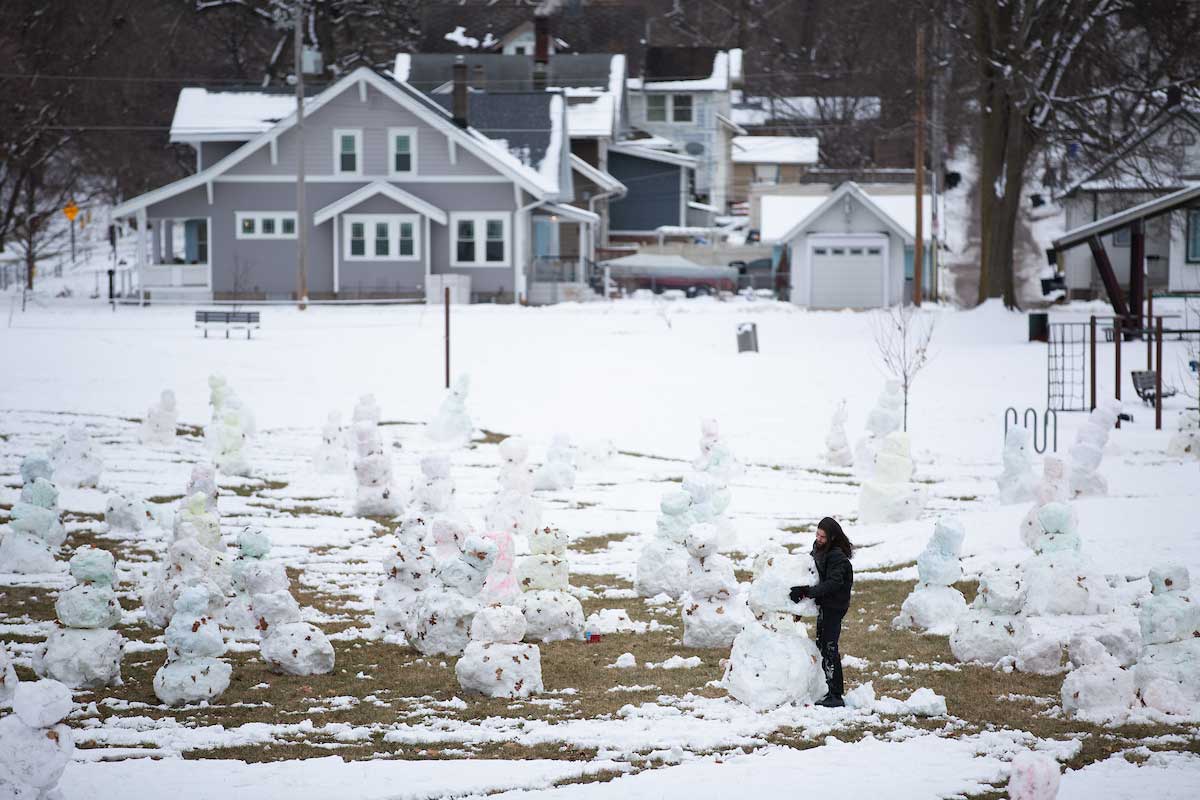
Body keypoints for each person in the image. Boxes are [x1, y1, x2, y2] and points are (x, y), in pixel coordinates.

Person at [789, 516, 854, 707]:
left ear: (832, 538)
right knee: (822, 645)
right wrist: (802, 595)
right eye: (817, 534)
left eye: (823, 536)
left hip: (835, 606)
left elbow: (833, 583)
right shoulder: (819, 549)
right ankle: (825, 687)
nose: (818, 538)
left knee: (829, 647)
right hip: (824, 604)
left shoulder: (837, 556)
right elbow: (813, 574)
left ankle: (836, 695)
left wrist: (806, 593)